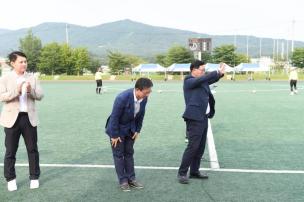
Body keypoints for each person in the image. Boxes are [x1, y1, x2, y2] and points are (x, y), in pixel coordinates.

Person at [0, 51, 44, 191]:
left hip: (29, 118)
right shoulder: (5, 78)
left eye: (25, 61)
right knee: (10, 151)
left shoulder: (32, 78)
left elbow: (41, 95)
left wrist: (31, 91)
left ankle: (34, 177)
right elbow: (1, 96)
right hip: (12, 119)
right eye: (21, 62)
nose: (24, 64)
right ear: (13, 63)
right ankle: (10, 179)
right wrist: (16, 91)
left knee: (32, 149)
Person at [177, 60, 225, 184]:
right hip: (194, 118)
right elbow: (203, 79)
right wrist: (216, 71)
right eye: (202, 70)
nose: (204, 73)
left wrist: (220, 74)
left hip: (203, 117)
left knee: (200, 147)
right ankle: (182, 173)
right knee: (193, 147)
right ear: (193, 69)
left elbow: (211, 80)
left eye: (205, 70)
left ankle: (194, 171)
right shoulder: (189, 80)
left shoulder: (201, 80)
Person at [105, 78, 153, 191]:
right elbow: (114, 118)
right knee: (118, 155)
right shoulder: (122, 98)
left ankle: (131, 179)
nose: (148, 94)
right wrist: (114, 135)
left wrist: (138, 130)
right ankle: (123, 180)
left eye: (149, 92)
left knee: (129, 153)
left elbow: (141, 114)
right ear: (137, 90)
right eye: (146, 92)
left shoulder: (144, 98)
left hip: (131, 129)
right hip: (117, 130)